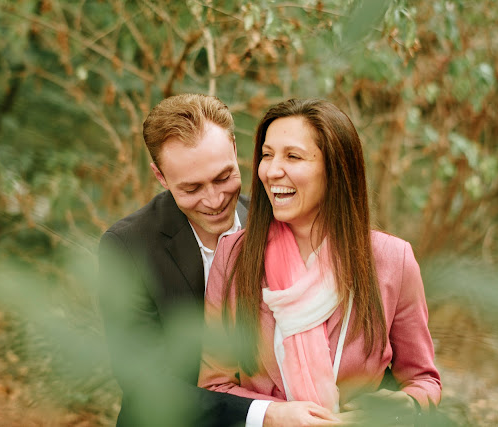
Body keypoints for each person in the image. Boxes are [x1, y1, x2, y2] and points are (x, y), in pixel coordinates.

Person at [198, 98, 442, 425]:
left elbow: (424, 379)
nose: (272, 171)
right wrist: (271, 414)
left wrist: (406, 405)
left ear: (335, 168)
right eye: (267, 155)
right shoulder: (235, 255)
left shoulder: (392, 260)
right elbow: (215, 384)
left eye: (293, 156)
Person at [98, 94, 337, 426]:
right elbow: (145, 383)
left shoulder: (278, 222)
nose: (214, 200)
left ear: (235, 150)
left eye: (223, 177)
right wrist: (265, 414)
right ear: (161, 177)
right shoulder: (127, 247)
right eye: (192, 188)